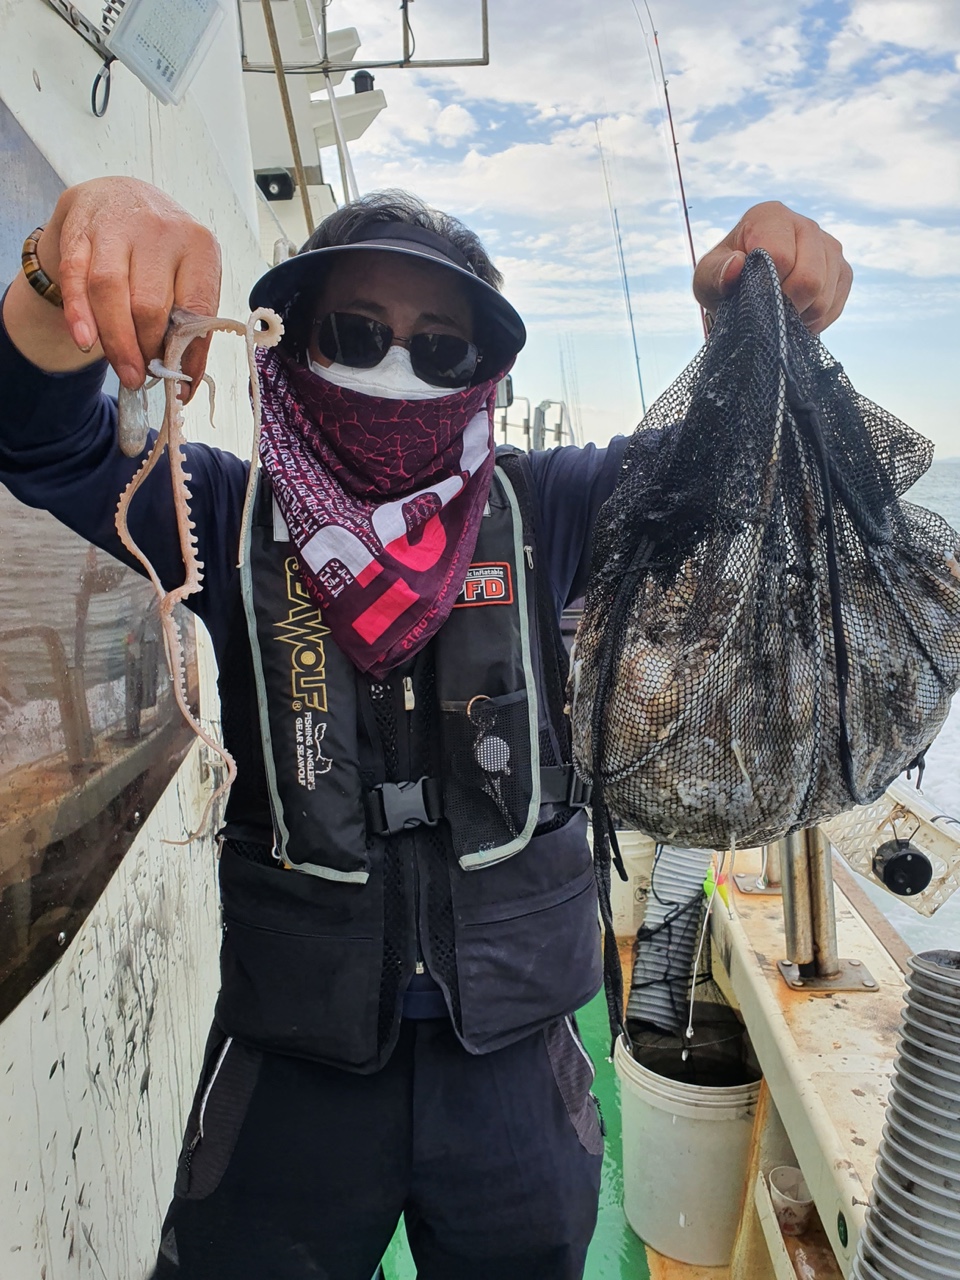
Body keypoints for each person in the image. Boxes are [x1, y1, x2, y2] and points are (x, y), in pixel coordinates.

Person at [0, 177, 851, 1280]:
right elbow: (42, 443)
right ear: (291, 344)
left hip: (515, 1064)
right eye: (356, 335)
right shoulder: (222, 514)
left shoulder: (548, 508)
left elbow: (736, 475)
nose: (397, 369)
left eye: (440, 349)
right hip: (293, 1060)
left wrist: (761, 314)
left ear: (481, 373)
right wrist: (56, 270)